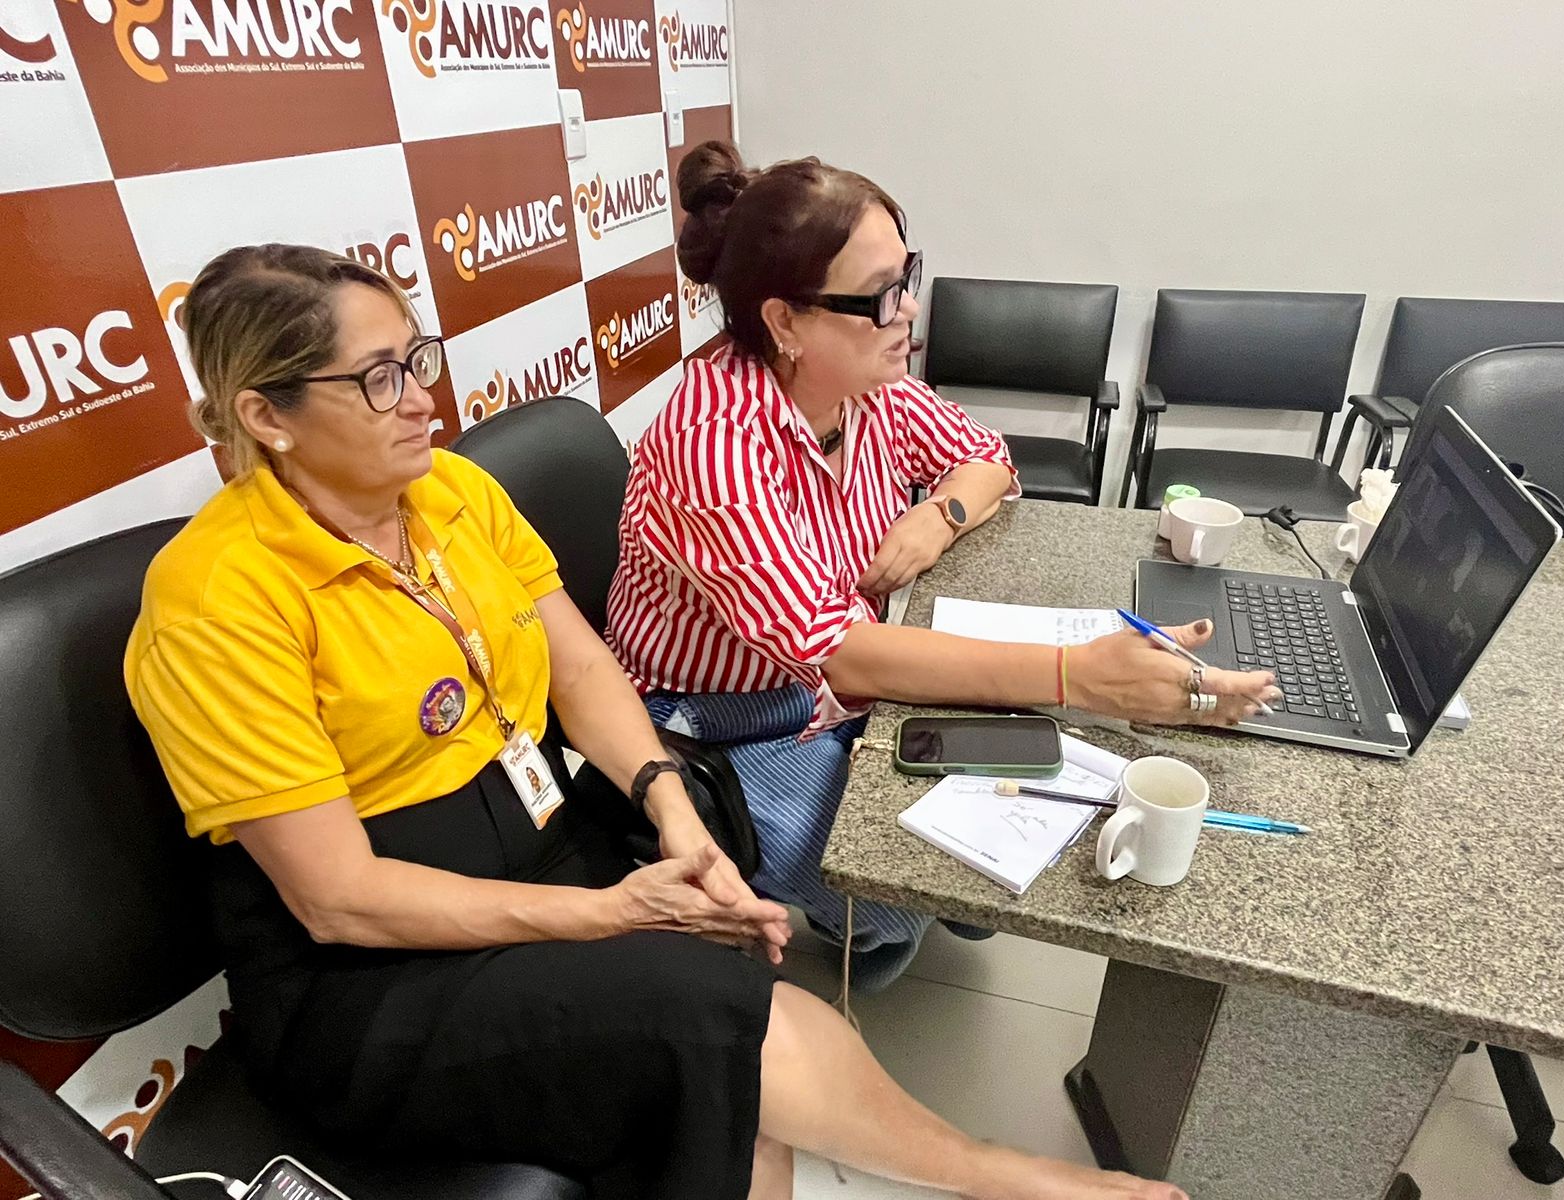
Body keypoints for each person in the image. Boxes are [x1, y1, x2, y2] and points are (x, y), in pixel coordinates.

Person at [126, 243, 1187, 1200]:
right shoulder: (216, 599)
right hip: (369, 977)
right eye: (378, 379)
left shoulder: (448, 493)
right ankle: (1004, 1179)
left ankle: (973, 1174)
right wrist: (606, 915)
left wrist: (671, 811)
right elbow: (338, 900)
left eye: (418, 360)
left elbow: (582, 666)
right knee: (707, 1011)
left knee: (732, 997)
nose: (420, 400)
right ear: (268, 416)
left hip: (542, 841)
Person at [607, 142, 1281, 990]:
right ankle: (866, 927)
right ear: (785, 322)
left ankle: (901, 904)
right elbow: (837, 651)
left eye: (908, 276)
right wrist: (1080, 675)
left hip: (840, 674)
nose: (910, 309)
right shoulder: (714, 445)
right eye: (881, 295)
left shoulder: (867, 381)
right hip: (723, 715)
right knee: (899, 892)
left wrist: (938, 515)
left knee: (1008, 800)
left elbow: (988, 458)